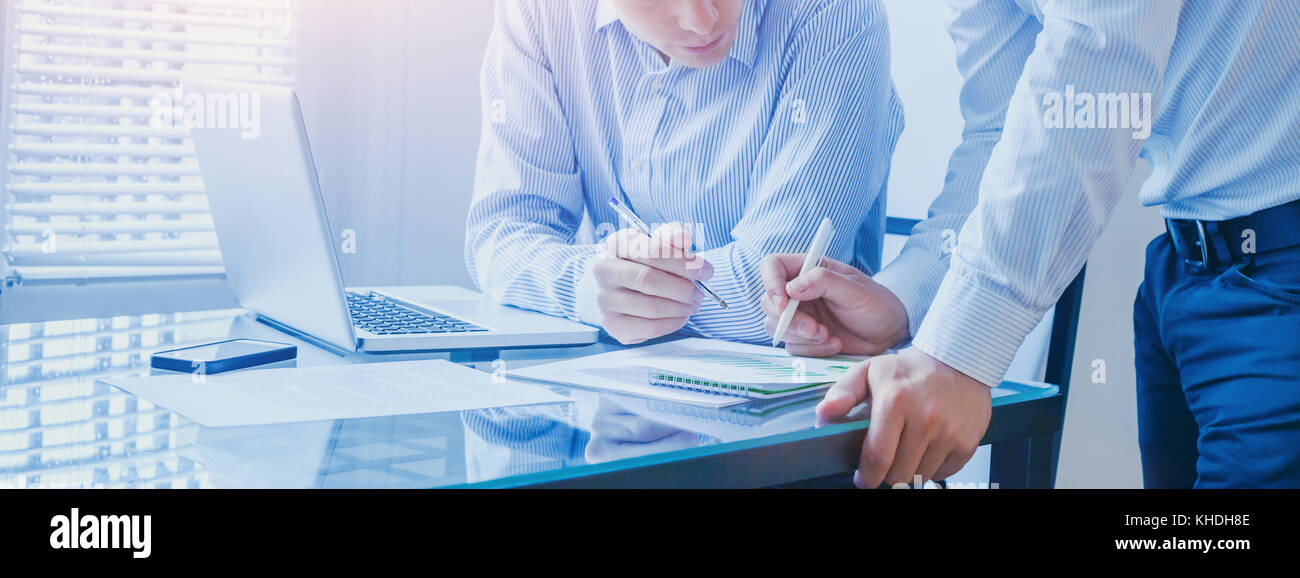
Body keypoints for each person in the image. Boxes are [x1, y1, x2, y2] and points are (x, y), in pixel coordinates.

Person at [762, 0, 1300, 488]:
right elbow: (1001, 131)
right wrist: (906, 301)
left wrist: (956, 354)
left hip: (1280, 266)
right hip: (1185, 267)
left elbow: (1099, 66)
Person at [465, 0, 903, 346]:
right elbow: (502, 234)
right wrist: (591, 285)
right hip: (600, 396)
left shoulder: (836, 14)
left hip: (791, 412)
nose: (701, 20)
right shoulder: (540, 11)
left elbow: (775, 293)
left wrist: (627, 292)